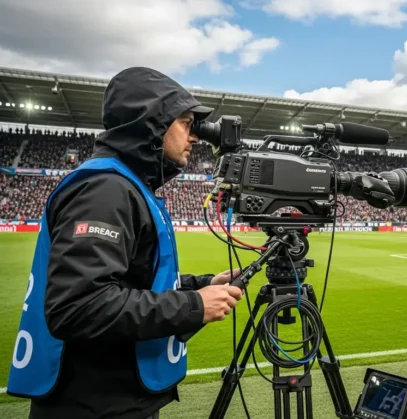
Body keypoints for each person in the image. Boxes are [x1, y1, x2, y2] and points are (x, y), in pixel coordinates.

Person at [7, 67, 244, 419]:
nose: (195, 137)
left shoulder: (126, 185)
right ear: (152, 124)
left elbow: (133, 280)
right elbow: (79, 306)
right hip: (94, 405)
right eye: (185, 123)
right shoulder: (105, 189)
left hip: (114, 399)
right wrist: (194, 306)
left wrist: (202, 285)